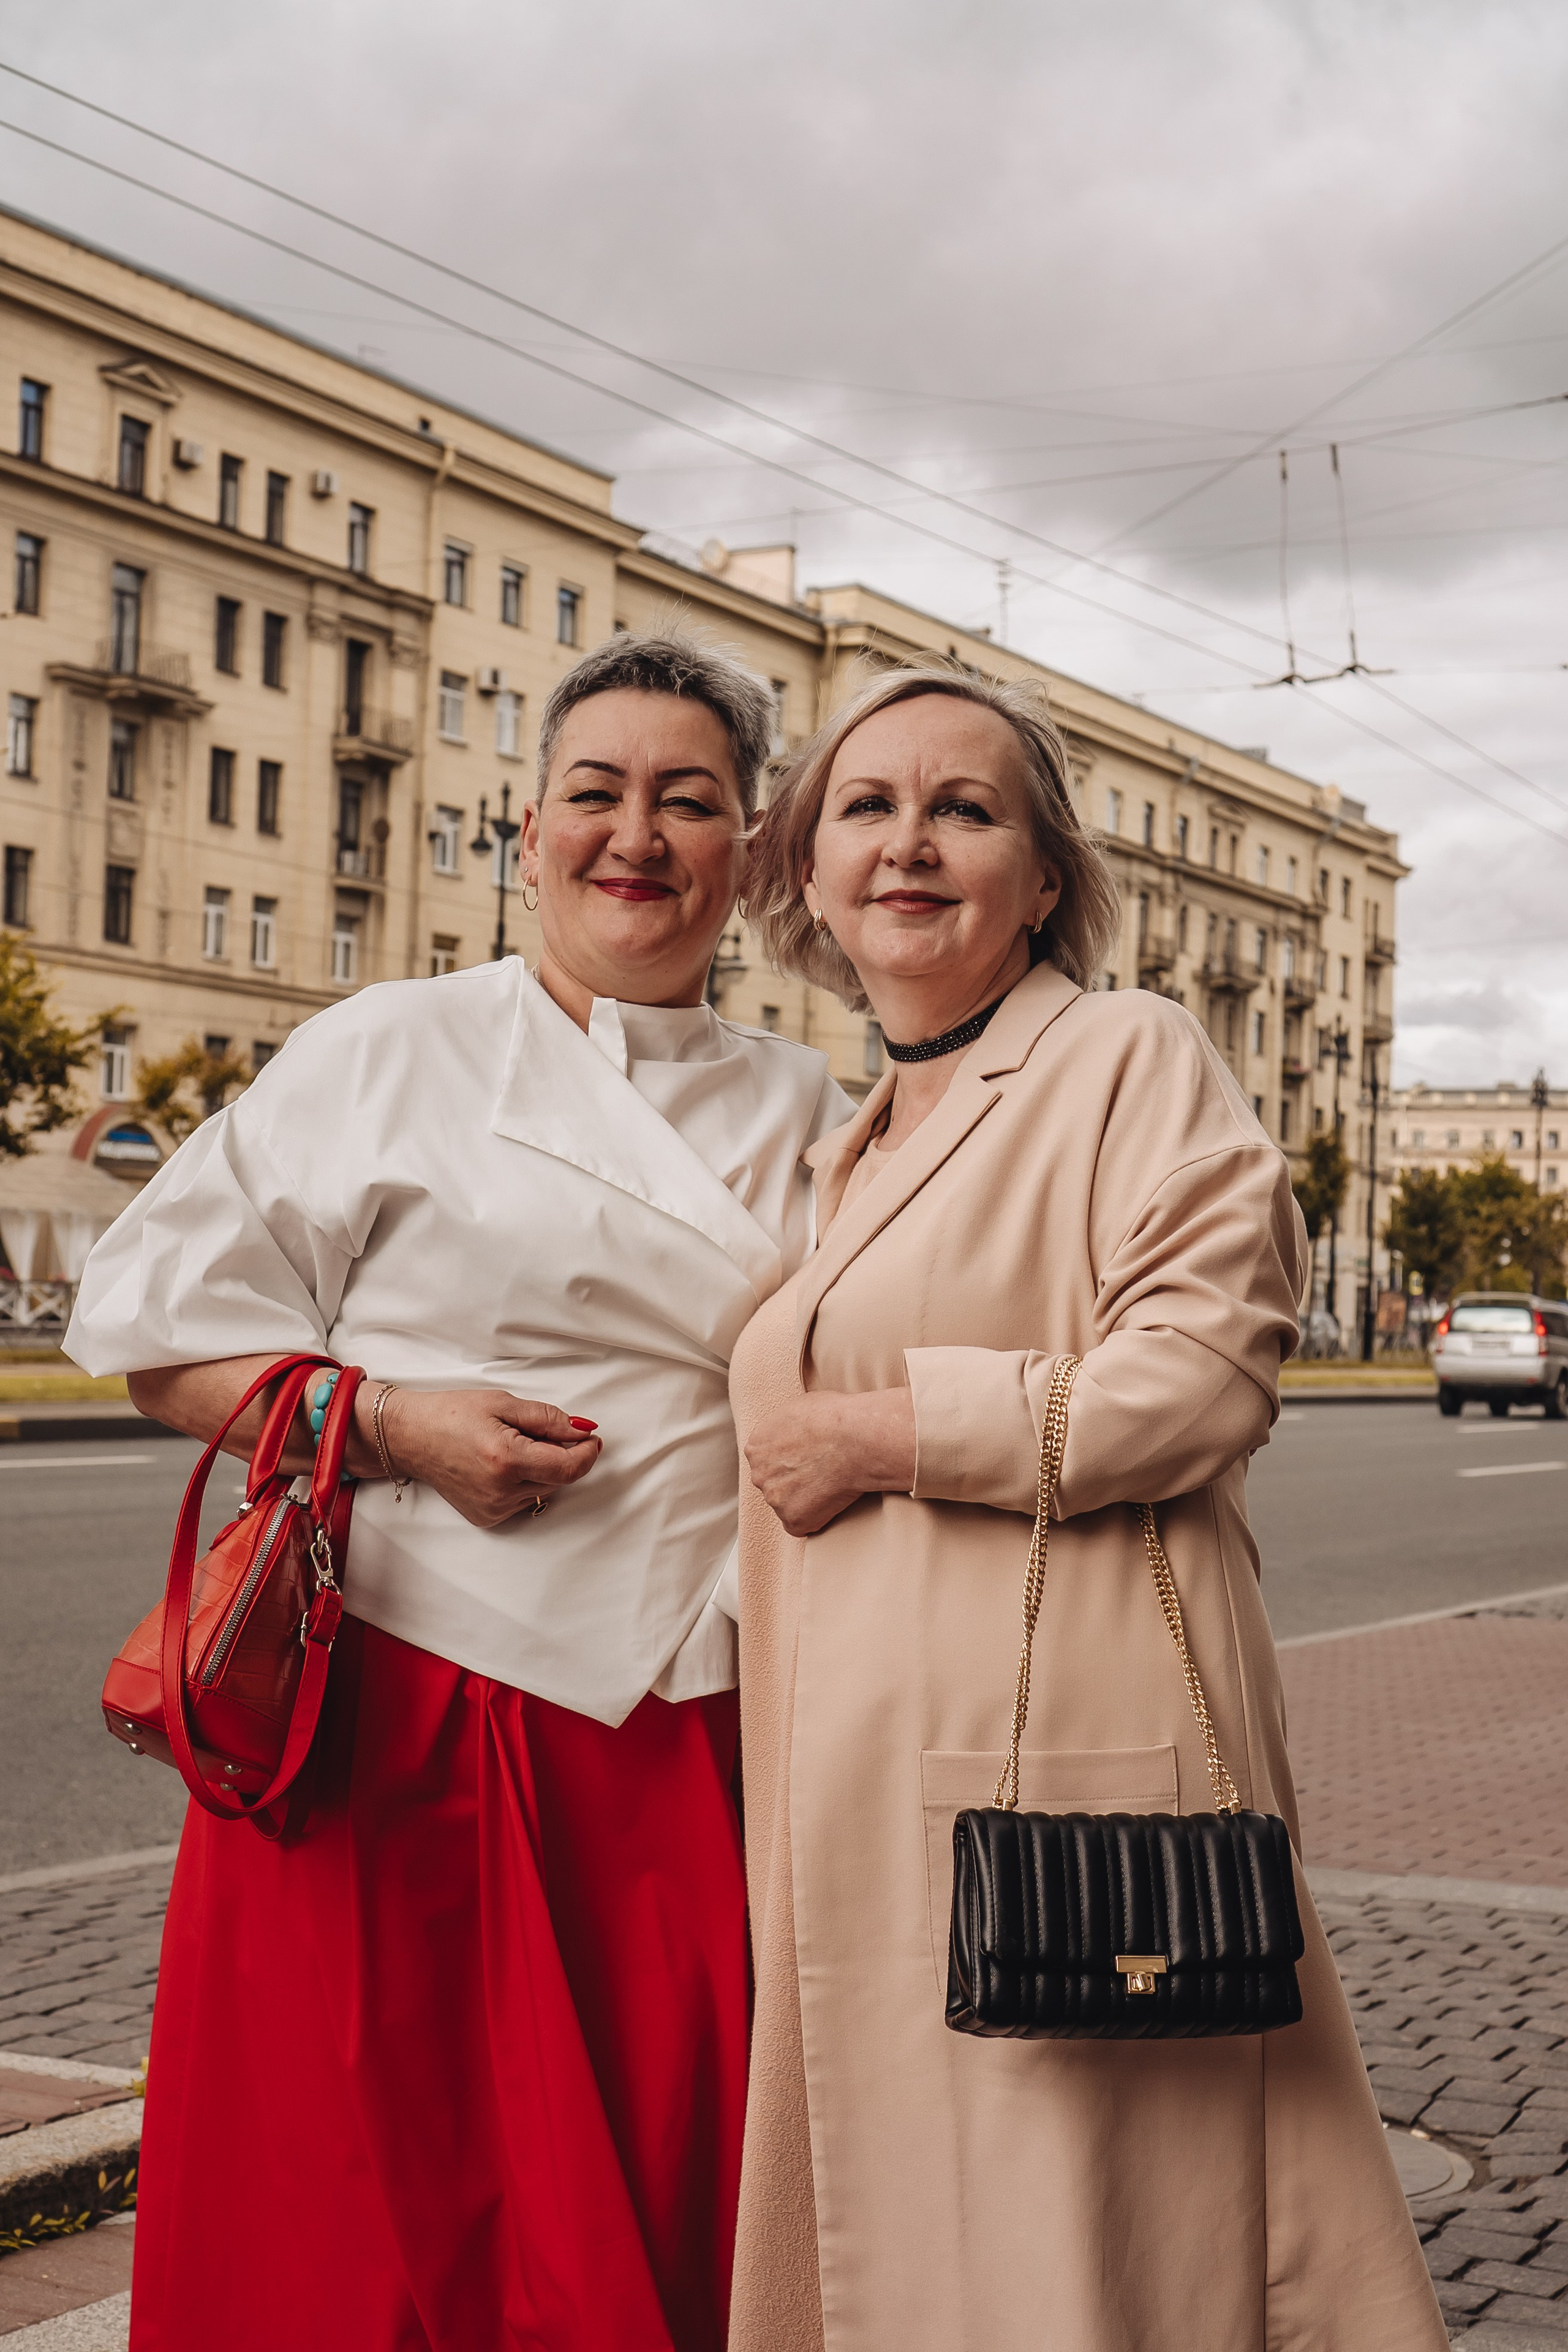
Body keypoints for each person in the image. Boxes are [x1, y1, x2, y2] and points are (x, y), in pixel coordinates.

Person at [66, 632, 853, 2352]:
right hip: (397, 1716)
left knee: (666, 2201)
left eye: (687, 800)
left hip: (687, 1733)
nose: (634, 835)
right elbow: (149, 1336)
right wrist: (388, 1424)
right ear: (529, 830)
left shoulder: (817, 1109)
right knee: (358, 2227)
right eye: (595, 792)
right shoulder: (388, 1046)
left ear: (750, 850)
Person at [726, 665, 1447, 2351]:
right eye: (866, 807)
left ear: (1046, 878)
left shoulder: (1127, 1053)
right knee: (937, 2238)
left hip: (1059, 1784)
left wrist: (884, 1435)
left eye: (964, 810)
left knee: (1083, 2248)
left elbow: (1198, 1375)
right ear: (812, 871)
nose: (909, 843)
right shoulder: (855, 1138)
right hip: (873, 1789)